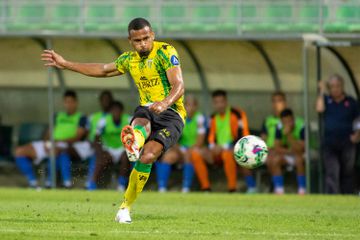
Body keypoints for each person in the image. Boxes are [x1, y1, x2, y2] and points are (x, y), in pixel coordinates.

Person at [41, 18, 185, 223]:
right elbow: (102, 69)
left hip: (171, 113)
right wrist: (66, 64)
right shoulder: (129, 59)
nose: (142, 43)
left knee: (148, 157)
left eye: (146, 38)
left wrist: (165, 102)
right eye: (137, 40)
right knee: (141, 120)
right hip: (147, 109)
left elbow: (179, 85)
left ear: (152, 35)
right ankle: (134, 141)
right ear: (130, 41)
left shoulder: (166, 51)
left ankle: (125, 205)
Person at [15, 90, 88, 188]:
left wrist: (58, 142)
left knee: (57, 152)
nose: (69, 105)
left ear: (76, 102)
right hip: (52, 143)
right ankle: (33, 182)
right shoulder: (57, 116)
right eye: (66, 102)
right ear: (64, 103)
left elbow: (77, 137)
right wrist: (46, 143)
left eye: (71, 102)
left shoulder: (82, 117)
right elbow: (48, 132)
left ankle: (56, 183)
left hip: (67, 144)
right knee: (19, 151)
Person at [316, 74, 360, 194]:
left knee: (348, 171)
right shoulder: (326, 100)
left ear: (342, 86)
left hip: (347, 141)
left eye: (337, 86)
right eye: (332, 87)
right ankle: (332, 196)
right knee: (332, 170)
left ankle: (347, 195)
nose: (335, 89)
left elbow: (358, 120)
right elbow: (319, 109)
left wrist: (357, 135)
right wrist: (321, 91)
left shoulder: (351, 102)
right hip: (329, 142)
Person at [156, 95, 209, 192]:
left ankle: (186, 187)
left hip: (195, 148)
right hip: (181, 148)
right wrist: (179, 149)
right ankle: (162, 187)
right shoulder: (178, 118)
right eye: (187, 105)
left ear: (196, 106)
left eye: (192, 105)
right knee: (168, 156)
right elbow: (172, 138)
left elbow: (200, 141)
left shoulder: (200, 118)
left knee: (190, 155)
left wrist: (189, 150)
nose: (190, 108)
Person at [208, 90, 256, 193]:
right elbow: (211, 137)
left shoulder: (237, 114)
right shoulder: (212, 118)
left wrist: (226, 146)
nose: (219, 105)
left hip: (235, 147)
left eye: (221, 102)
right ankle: (205, 188)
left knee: (234, 154)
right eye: (216, 102)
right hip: (217, 151)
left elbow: (244, 135)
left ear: (226, 102)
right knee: (195, 154)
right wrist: (213, 146)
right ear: (213, 104)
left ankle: (238, 188)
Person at [87, 101, 132, 191]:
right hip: (108, 148)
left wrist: (128, 149)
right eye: (114, 111)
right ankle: (92, 184)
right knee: (100, 160)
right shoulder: (103, 121)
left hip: (122, 148)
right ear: (110, 112)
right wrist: (102, 152)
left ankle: (121, 184)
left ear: (122, 111)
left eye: (118, 111)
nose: (116, 113)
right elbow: (96, 138)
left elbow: (135, 137)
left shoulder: (128, 120)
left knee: (126, 158)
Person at [268, 108, 306, 194]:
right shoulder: (279, 126)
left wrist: (288, 135)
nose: (287, 124)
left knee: (299, 159)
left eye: (289, 121)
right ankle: (279, 190)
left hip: (304, 153)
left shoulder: (301, 125)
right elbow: (277, 147)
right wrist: (289, 151)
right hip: (289, 152)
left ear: (293, 119)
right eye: (284, 122)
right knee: (274, 160)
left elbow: (300, 149)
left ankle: (302, 190)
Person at [85, 90, 114, 189]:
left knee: (97, 155)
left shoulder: (115, 116)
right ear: (100, 101)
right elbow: (87, 132)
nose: (105, 102)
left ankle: (90, 184)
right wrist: (90, 142)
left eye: (107, 100)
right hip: (91, 144)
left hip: (105, 146)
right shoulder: (93, 117)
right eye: (103, 100)